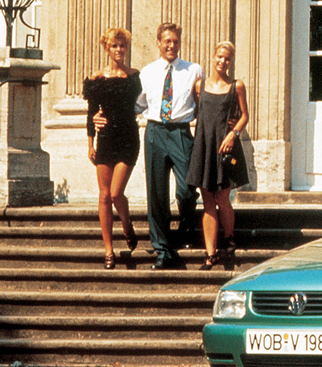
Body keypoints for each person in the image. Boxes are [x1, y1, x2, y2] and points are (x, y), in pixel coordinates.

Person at [135, 23, 204, 269]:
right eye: (167, 41)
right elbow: (138, 105)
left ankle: (186, 228)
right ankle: (162, 249)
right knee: (156, 192)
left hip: (181, 133)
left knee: (187, 188)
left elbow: (203, 103)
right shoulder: (147, 72)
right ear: (158, 43)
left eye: (175, 41)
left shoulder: (194, 70)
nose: (171, 46)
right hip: (155, 131)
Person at [186, 41, 249, 269]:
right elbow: (196, 112)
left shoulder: (236, 86)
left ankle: (229, 237)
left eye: (227, 58)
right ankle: (211, 254)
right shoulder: (199, 86)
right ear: (213, 57)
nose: (223, 61)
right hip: (204, 147)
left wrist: (233, 134)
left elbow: (244, 116)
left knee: (222, 198)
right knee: (207, 201)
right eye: (220, 56)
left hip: (226, 148)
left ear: (231, 61)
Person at [83, 27, 142, 269]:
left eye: (122, 45)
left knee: (117, 193)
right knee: (104, 196)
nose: (119, 49)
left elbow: (144, 104)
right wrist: (90, 143)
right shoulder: (97, 78)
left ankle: (126, 224)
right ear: (106, 48)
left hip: (128, 137)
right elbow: (91, 113)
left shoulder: (134, 76)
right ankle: (108, 250)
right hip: (105, 138)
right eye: (114, 45)